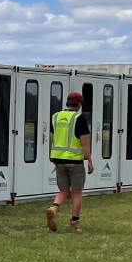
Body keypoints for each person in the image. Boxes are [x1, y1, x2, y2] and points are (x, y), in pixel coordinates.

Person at [46, 92, 93, 233]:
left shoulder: (55, 117)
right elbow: (84, 143)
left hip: (58, 159)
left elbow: (54, 137)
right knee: (77, 193)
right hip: (74, 161)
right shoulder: (79, 118)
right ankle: (74, 224)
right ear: (79, 104)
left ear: (67, 102)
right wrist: (89, 160)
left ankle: (54, 207)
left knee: (64, 190)